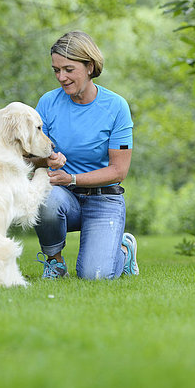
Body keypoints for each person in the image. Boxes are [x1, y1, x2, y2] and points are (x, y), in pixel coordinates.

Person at [31, 31, 139, 280]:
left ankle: (123, 250)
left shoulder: (116, 107)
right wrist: (46, 160)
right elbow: (28, 155)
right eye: (56, 70)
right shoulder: (48, 103)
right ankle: (54, 264)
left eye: (69, 69)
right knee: (44, 198)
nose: (61, 77)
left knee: (95, 276)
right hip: (63, 197)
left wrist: (72, 179)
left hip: (104, 200)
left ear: (90, 66)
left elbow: (118, 171)